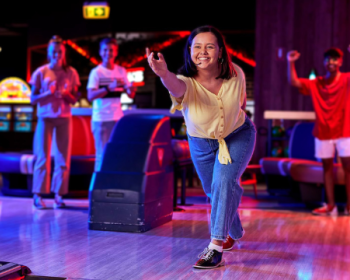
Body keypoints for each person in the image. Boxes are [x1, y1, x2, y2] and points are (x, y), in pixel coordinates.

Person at [146, 25, 256, 269]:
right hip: (201, 143)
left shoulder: (236, 72)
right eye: (197, 46)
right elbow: (176, 87)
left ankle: (215, 248)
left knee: (223, 183)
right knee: (214, 190)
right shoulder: (185, 82)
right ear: (190, 51)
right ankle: (233, 228)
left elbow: (242, 102)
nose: (203, 51)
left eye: (209, 46)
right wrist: (163, 74)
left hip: (238, 135)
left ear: (219, 51)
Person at [287, 47, 350, 216]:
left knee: (348, 167)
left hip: (345, 130)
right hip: (323, 130)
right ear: (324, 62)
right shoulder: (317, 83)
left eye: (335, 59)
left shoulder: (346, 78)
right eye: (328, 59)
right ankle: (331, 205)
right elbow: (294, 82)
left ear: (340, 62)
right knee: (327, 168)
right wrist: (291, 62)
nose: (331, 62)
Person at [30, 35, 81, 209]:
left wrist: (67, 95)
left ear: (63, 53)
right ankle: (37, 196)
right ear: (49, 52)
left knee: (63, 158)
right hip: (45, 117)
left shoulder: (71, 72)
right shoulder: (41, 72)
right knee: (42, 157)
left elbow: (74, 100)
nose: (57, 55)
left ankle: (58, 195)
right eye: (54, 52)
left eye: (60, 52)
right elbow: (32, 99)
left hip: (64, 118)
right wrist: (48, 93)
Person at [87, 38, 135, 172]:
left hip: (117, 118)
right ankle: (99, 188)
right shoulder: (96, 72)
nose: (108, 53)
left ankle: (113, 185)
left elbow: (130, 94)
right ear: (100, 52)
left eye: (111, 50)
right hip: (101, 119)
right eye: (105, 50)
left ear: (116, 52)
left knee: (117, 152)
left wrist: (132, 89)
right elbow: (90, 96)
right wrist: (108, 88)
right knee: (102, 155)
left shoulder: (121, 71)